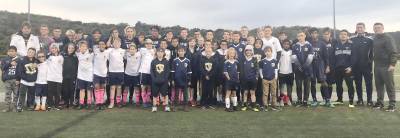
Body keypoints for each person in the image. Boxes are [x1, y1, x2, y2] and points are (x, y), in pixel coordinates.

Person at [372, 23, 398, 112]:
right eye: (375, 28)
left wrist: (392, 64)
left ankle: (392, 104)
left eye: (378, 28)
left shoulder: (388, 38)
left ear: (383, 28)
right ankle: (380, 102)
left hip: (386, 66)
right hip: (377, 66)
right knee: (379, 86)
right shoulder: (374, 38)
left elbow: (393, 52)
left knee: (389, 86)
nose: (377, 29)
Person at [350, 22, 374, 106]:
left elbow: (372, 53)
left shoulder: (370, 40)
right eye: (358, 27)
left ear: (364, 29)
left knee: (369, 84)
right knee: (358, 84)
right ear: (356, 29)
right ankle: (360, 100)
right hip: (356, 67)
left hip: (367, 66)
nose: (359, 29)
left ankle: (369, 100)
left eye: (361, 27)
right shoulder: (351, 39)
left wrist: (370, 62)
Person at [333, 30, 357, 108]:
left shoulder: (352, 45)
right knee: (338, 85)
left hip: (348, 69)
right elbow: (333, 57)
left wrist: (351, 67)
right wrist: (334, 67)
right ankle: (340, 99)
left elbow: (354, 58)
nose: (343, 35)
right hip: (337, 69)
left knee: (350, 85)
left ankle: (351, 101)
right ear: (339, 36)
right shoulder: (335, 45)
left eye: (345, 34)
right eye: (341, 34)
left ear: (347, 36)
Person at [292, 32, 314, 107]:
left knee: (307, 85)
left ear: (305, 36)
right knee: (298, 85)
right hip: (298, 70)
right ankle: (299, 100)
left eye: (301, 35)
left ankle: (305, 100)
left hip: (307, 69)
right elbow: (294, 57)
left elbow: (310, 57)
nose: (300, 37)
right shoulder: (295, 46)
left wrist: (304, 66)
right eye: (298, 36)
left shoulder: (309, 45)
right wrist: (299, 66)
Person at [309, 28, 329, 107]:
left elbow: (326, 56)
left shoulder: (322, 44)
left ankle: (327, 99)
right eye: (312, 33)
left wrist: (327, 66)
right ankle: (314, 100)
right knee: (313, 83)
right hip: (311, 66)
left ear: (317, 34)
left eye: (315, 33)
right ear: (310, 34)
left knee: (323, 82)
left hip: (320, 65)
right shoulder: (308, 43)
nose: (314, 34)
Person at [16, 48, 38, 112]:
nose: (31, 53)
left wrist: (36, 62)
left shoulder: (36, 60)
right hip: (24, 81)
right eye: (29, 52)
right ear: (27, 52)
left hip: (32, 81)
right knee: (22, 94)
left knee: (31, 94)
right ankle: (20, 105)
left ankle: (30, 105)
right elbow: (19, 71)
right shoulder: (22, 60)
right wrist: (23, 78)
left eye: (32, 52)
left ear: (34, 54)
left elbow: (40, 60)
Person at [171, 47, 192, 111]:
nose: (181, 52)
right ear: (178, 52)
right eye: (179, 51)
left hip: (185, 80)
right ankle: (176, 106)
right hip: (177, 79)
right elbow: (172, 71)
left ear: (184, 52)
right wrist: (172, 80)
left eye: (182, 51)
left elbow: (189, 71)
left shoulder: (187, 61)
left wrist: (189, 80)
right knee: (176, 93)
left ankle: (185, 106)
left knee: (185, 94)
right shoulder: (175, 60)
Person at [240, 46, 259, 111]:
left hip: (252, 79)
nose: (248, 51)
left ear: (252, 52)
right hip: (245, 79)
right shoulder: (243, 59)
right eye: (247, 50)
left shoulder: (254, 59)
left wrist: (256, 77)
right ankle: (244, 105)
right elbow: (241, 69)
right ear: (245, 51)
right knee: (245, 92)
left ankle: (254, 106)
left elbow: (257, 69)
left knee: (252, 92)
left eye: (250, 50)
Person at [107, 40, 126, 108]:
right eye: (115, 43)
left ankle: (118, 102)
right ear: (112, 44)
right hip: (112, 71)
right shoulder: (109, 50)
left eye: (118, 42)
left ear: (120, 44)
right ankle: (112, 102)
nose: (116, 44)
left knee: (119, 87)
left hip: (120, 71)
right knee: (112, 87)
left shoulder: (123, 51)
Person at [259, 47, 279, 111]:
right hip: (265, 79)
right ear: (264, 53)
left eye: (269, 51)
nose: (267, 53)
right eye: (266, 52)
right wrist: (262, 77)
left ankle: (274, 105)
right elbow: (260, 70)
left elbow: (276, 69)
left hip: (273, 79)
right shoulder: (262, 61)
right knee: (265, 93)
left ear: (271, 52)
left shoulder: (275, 61)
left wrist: (275, 77)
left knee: (273, 93)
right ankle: (265, 105)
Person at [76, 41, 94, 110]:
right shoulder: (78, 54)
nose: (83, 47)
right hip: (81, 76)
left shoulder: (91, 54)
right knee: (82, 90)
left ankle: (89, 103)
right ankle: (81, 103)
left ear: (87, 47)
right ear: (79, 48)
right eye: (81, 46)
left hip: (89, 76)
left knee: (89, 90)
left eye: (84, 46)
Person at [200, 43, 218, 110]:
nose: (208, 52)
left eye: (209, 51)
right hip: (204, 78)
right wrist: (206, 75)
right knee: (204, 91)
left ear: (212, 52)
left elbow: (215, 69)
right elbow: (201, 68)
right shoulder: (202, 59)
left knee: (210, 91)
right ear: (205, 52)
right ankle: (203, 104)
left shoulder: (214, 60)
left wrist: (209, 75)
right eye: (207, 51)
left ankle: (210, 103)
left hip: (211, 78)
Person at [1, 46, 19, 112]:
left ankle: (14, 107)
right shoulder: (4, 59)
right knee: (7, 94)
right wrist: (9, 63)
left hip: (15, 80)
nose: (11, 52)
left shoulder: (19, 59)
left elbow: (20, 70)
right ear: (7, 52)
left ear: (16, 52)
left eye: (13, 51)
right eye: (10, 51)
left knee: (16, 94)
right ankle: (7, 107)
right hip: (7, 80)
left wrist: (18, 79)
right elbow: (2, 68)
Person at [321, 28, 336, 108]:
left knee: (330, 83)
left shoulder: (334, 42)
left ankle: (329, 99)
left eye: (327, 34)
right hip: (323, 66)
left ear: (330, 34)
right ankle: (324, 99)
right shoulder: (320, 42)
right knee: (323, 82)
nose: (326, 35)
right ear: (322, 35)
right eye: (324, 34)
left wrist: (349, 40)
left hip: (332, 66)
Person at [46, 43, 64, 110]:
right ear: (50, 49)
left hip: (58, 78)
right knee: (50, 92)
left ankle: (57, 105)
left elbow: (60, 64)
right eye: (52, 48)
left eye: (55, 48)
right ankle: (50, 105)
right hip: (50, 77)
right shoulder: (48, 57)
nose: (54, 49)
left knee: (57, 92)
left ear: (58, 49)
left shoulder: (61, 57)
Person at [138, 39, 155, 108]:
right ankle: (144, 101)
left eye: (150, 43)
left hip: (151, 72)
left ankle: (148, 100)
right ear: (145, 44)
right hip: (143, 71)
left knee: (149, 87)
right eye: (147, 43)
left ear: (152, 44)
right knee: (143, 87)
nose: (149, 44)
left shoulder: (154, 51)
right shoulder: (142, 50)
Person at [93, 41, 109, 110]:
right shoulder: (95, 51)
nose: (101, 45)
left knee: (102, 87)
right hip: (96, 73)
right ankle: (97, 102)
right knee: (96, 87)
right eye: (100, 44)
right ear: (98, 46)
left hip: (104, 73)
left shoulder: (108, 52)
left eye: (103, 44)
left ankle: (101, 102)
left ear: (105, 45)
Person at [62, 43, 78, 109]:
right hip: (64, 76)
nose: (71, 49)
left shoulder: (76, 56)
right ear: (67, 48)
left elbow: (77, 66)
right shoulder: (63, 55)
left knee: (72, 90)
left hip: (73, 76)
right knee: (65, 90)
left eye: (72, 48)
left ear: (74, 49)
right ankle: (66, 103)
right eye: (69, 48)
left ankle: (71, 103)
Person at [278, 39, 294, 106]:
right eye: (285, 44)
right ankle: (281, 100)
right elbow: (278, 62)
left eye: (288, 44)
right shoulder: (280, 52)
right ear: (283, 45)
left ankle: (289, 100)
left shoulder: (292, 52)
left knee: (289, 88)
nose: (286, 45)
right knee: (282, 88)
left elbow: (293, 62)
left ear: (290, 45)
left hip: (290, 72)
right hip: (281, 72)